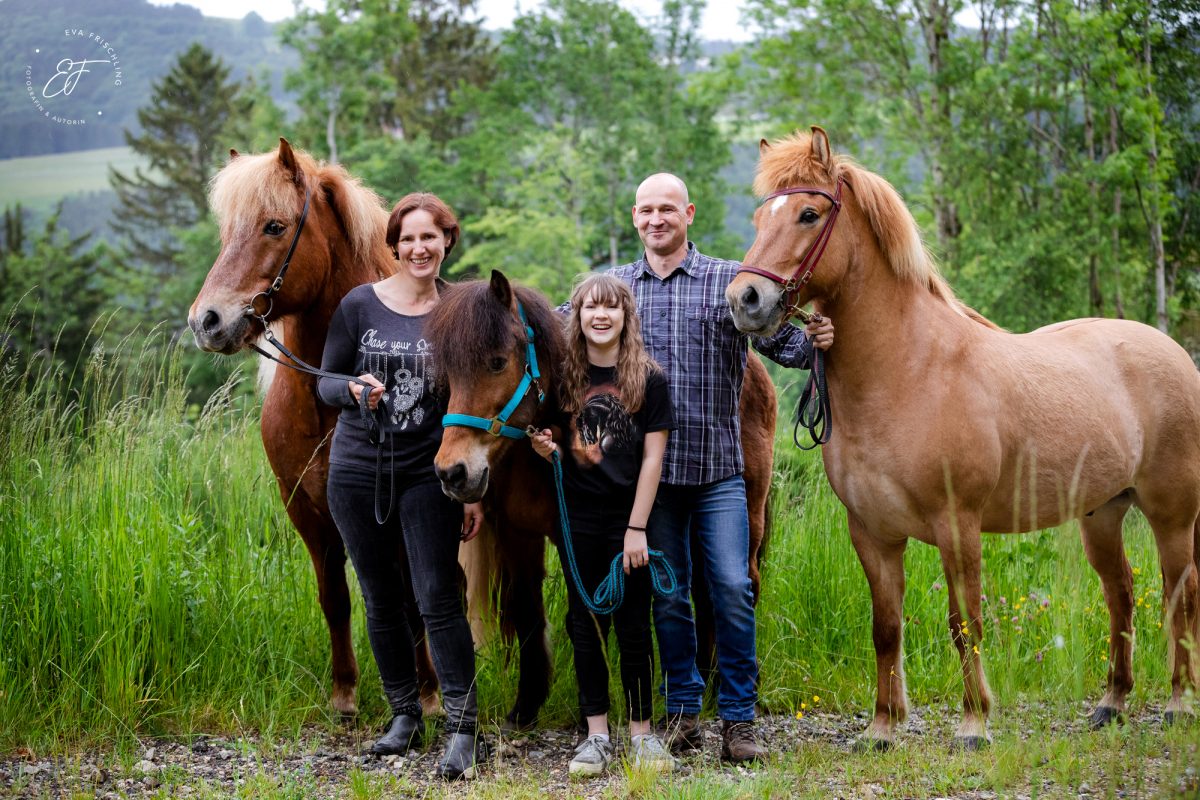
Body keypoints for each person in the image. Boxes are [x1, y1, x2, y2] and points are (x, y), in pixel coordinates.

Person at [611, 173, 835, 762]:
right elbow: (558, 335)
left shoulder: (723, 281)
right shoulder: (616, 290)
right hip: (653, 483)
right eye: (646, 211)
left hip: (718, 475)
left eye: (668, 209)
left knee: (734, 589)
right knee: (670, 596)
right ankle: (683, 711)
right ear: (634, 217)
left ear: (688, 213)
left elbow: (784, 345)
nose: (656, 220)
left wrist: (819, 340)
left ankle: (739, 721)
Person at [316, 192, 486, 781]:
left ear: (447, 243)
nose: (419, 248)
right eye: (408, 239)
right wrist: (352, 391)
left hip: (428, 474)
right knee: (380, 597)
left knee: (437, 594)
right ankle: (403, 715)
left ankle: (463, 727)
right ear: (394, 247)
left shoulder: (461, 309)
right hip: (357, 469)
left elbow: (472, 403)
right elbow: (326, 382)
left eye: (430, 238)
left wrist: (474, 494)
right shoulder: (359, 305)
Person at [530, 273, 676, 776]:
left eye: (610, 308)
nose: (600, 316)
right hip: (578, 521)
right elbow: (550, 434)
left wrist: (637, 529)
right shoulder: (563, 379)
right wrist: (544, 447)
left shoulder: (648, 379)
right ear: (577, 315)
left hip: (629, 519)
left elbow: (653, 461)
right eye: (590, 307)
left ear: (625, 316)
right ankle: (596, 735)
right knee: (585, 625)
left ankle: (641, 734)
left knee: (635, 625)